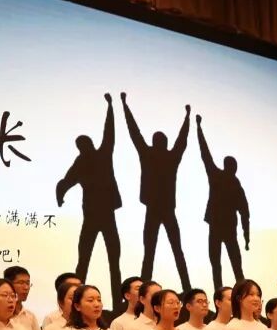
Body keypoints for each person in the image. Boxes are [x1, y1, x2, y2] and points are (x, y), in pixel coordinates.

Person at [121, 92, 192, 289]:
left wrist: (125, 105)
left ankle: (147, 289)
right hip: (164, 209)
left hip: (155, 209)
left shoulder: (148, 154)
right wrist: (187, 118)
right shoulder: (170, 157)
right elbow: (182, 140)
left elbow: (134, 132)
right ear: (165, 143)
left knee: (150, 252)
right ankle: (186, 287)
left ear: (154, 142)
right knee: (175, 250)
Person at [56, 93, 123, 296]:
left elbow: (65, 182)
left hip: (100, 214)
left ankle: (90, 297)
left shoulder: (89, 159)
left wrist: (110, 107)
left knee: (96, 258)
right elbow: (66, 182)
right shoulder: (94, 157)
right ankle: (78, 297)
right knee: (94, 259)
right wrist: (60, 195)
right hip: (96, 214)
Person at [195, 113, 249, 291]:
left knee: (219, 265)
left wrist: (199, 128)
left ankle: (223, 293)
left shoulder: (218, 177)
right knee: (234, 265)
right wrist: (246, 236)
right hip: (225, 228)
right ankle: (236, 294)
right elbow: (245, 214)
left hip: (220, 227)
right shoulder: (235, 185)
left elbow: (205, 154)